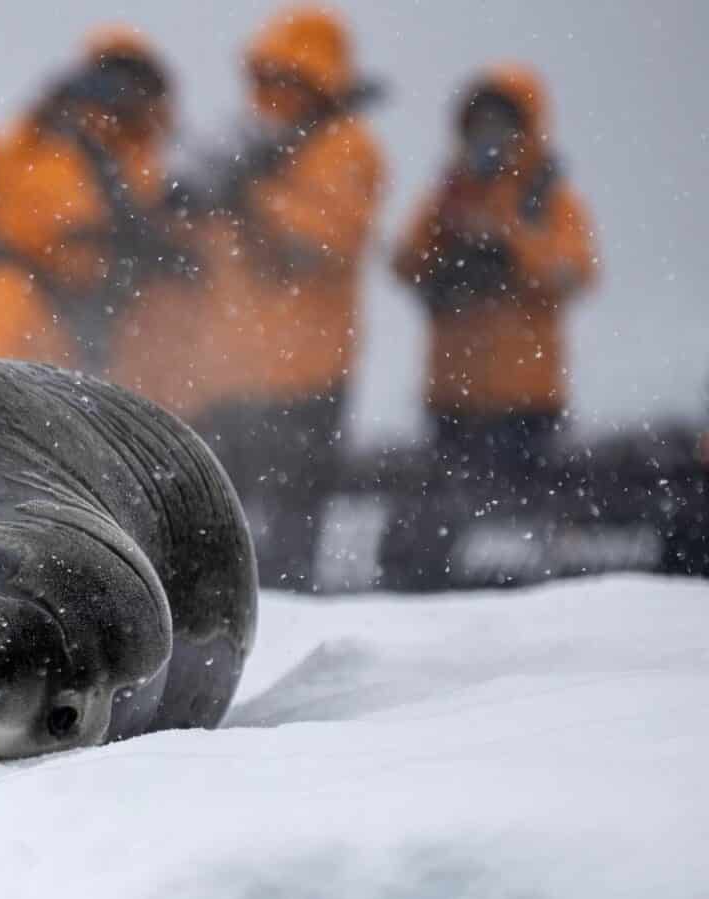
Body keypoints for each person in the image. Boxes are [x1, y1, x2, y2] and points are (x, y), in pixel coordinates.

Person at [183, 5, 385, 589]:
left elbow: (327, 240)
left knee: (291, 538)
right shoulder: (255, 148)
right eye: (266, 78)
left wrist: (250, 198)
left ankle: (290, 638)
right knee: (217, 534)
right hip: (232, 374)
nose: (271, 92)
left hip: (308, 377)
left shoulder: (348, 147)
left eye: (286, 79)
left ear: (317, 81)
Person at [384, 64, 598, 587]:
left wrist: (508, 248)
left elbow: (576, 271)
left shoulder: (549, 199)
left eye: (501, 124)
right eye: (479, 124)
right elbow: (404, 262)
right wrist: (448, 252)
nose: (489, 137)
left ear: (525, 130)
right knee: (447, 526)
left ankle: (526, 612)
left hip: (526, 399)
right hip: (453, 396)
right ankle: (445, 599)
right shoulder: (449, 196)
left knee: (522, 527)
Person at [0, 26, 186, 372]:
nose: (115, 96)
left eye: (130, 85)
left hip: (104, 324)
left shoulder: (145, 175)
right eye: (106, 81)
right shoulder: (41, 147)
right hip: (43, 304)